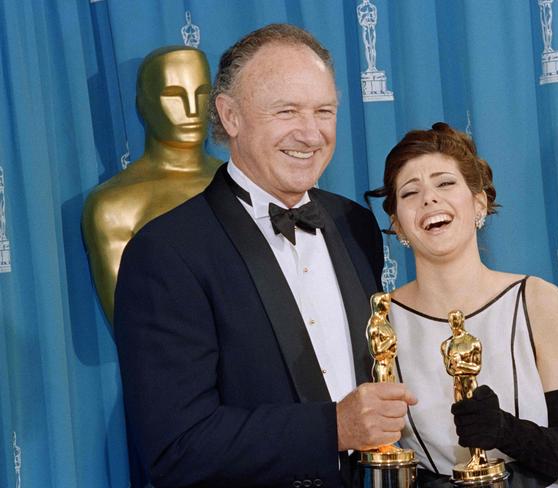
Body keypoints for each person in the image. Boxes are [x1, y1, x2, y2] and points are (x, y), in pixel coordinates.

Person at [114, 24, 416, 488]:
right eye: (287, 111)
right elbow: (176, 447)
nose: (311, 133)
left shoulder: (355, 224)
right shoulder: (166, 252)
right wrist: (332, 427)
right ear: (230, 116)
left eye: (324, 111)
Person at [366, 123, 558, 487]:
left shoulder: (536, 300)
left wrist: (505, 430)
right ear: (397, 224)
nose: (429, 198)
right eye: (411, 192)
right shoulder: (381, 321)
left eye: (445, 183)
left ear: (479, 202)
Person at [82, 46, 221, 323]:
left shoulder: (244, 182)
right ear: (143, 104)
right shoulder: (114, 205)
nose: (192, 110)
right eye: (174, 95)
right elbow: (132, 325)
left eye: (202, 93)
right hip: (177, 361)